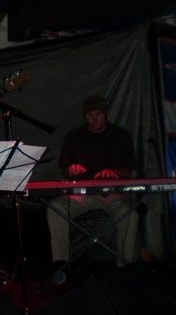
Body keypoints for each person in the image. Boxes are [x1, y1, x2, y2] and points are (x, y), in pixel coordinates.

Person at [47, 95, 139, 270]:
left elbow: (128, 169)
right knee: (55, 208)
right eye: (90, 115)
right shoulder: (74, 136)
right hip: (80, 196)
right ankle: (61, 266)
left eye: (98, 115)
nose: (94, 119)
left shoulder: (121, 135)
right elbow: (65, 171)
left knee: (130, 215)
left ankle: (126, 268)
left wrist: (115, 173)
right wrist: (71, 170)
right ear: (85, 116)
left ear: (106, 114)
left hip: (113, 195)